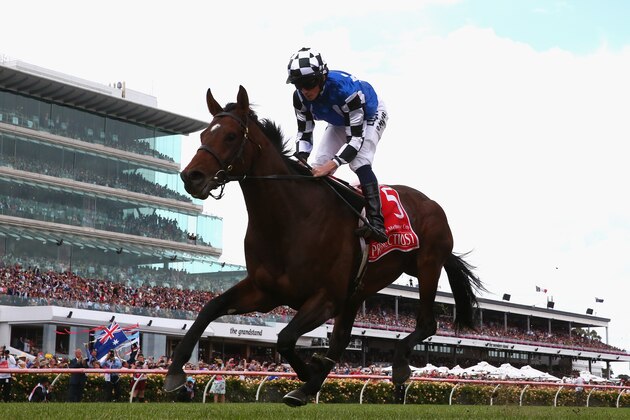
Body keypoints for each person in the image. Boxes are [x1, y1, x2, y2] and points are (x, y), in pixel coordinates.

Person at [287, 47, 389, 243]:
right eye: (298, 85)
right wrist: (301, 159)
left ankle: (377, 223)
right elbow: (304, 132)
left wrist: (333, 164)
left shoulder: (345, 91)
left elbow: (356, 139)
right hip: (341, 119)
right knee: (317, 164)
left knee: (359, 162)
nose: (305, 90)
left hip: (369, 115)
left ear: (322, 77)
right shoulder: (299, 97)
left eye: (309, 83)